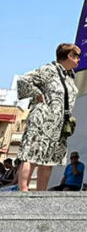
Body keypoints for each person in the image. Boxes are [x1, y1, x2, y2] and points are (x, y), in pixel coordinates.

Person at [16, 43, 81, 191]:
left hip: (59, 123)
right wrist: (37, 93)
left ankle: (42, 193)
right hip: (42, 118)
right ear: (69, 56)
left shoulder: (70, 75)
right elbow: (24, 80)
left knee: (49, 158)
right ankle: (23, 190)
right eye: (77, 56)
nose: (79, 60)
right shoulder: (49, 70)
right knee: (32, 153)